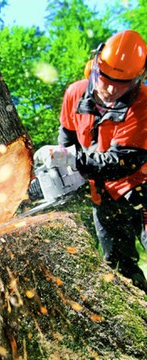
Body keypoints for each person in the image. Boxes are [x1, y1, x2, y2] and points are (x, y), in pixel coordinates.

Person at [34, 30, 147, 293]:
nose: (110, 89)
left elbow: (120, 163)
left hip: (140, 186)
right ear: (96, 65)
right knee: (119, 270)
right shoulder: (75, 94)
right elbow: (66, 142)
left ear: (137, 79)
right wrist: (60, 162)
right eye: (106, 79)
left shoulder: (143, 104)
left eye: (122, 84)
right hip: (103, 196)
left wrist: (73, 158)